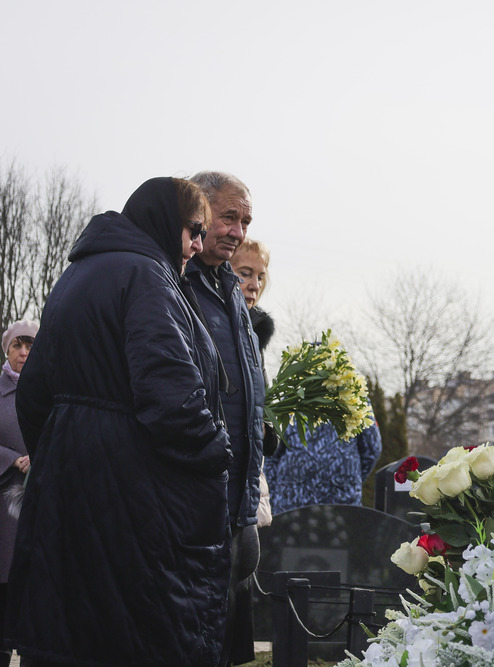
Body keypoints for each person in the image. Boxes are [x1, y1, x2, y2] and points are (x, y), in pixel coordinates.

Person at [6, 178, 231, 667]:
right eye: (194, 229)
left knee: (72, 640)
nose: (197, 244)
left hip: (67, 495)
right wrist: (218, 451)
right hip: (135, 502)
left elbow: (33, 391)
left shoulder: (75, 277)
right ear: (166, 223)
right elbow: (170, 399)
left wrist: (62, 454)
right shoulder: (147, 277)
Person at [187, 172, 267, 667]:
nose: (237, 231)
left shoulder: (229, 290)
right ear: (197, 212)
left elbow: (244, 390)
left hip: (237, 499)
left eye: (246, 221)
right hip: (195, 500)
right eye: (228, 217)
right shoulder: (174, 280)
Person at [0, 319, 38, 667]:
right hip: (4, 507)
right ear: (7, 350)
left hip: (41, 503)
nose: (24, 353)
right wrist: (13, 460)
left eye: (29, 345)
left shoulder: (48, 388)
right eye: (17, 346)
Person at [230, 238, 275, 527]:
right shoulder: (212, 326)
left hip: (248, 482)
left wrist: (267, 427)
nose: (254, 285)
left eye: (260, 276)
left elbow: (264, 406)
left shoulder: (254, 334)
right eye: (244, 273)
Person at [265, 419, 382, 513]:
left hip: (341, 505)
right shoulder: (290, 398)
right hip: (292, 505)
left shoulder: (354, 398)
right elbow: (270, 453)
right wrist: (274, 495)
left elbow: (372, 449)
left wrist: (349, 482)